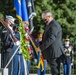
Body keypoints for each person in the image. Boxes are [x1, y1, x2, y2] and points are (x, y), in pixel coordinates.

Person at [37, 10, 64, 75]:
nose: (43, 20)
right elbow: (47, 38)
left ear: (49, 17)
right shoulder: (49, 25)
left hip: (54, 52)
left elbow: (51, 39)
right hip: (51, 52)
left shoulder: (54, 25)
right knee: (53, 70)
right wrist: (40, 43)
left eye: (44, 18)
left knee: (55, 71)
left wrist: (41, 48)